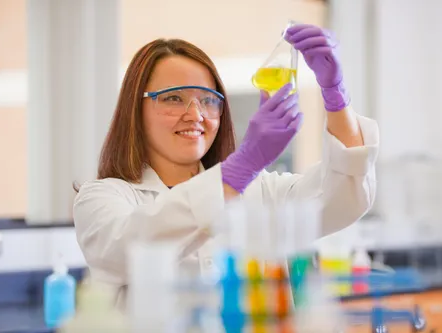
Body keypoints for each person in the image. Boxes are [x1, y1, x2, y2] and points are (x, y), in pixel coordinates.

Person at [73, 23, 379, 309]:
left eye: (208, 100)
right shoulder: (101, 198)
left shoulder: (260, 193)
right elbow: (130, 248)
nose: (196, 115)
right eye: (173, 98)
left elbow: (342, 198)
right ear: (135, 111)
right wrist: (240, 167)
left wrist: (335, 96)